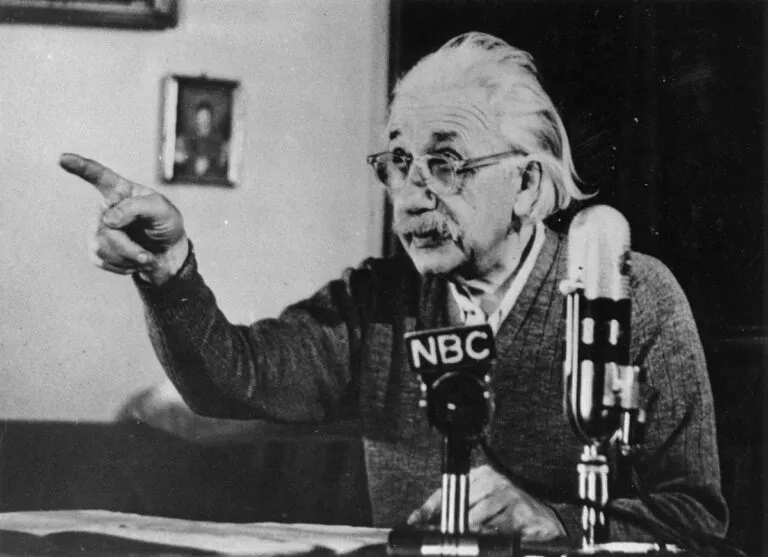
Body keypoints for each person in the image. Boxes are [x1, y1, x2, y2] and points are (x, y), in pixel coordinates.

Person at [60, 32, 727, 544]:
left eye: (446, 161)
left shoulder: (631, 295)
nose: (410, 194)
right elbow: (234, 381)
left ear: (526, 185)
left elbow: (694, 521)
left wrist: (556, 521)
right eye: (400, 161)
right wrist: (167, 272)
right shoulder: (377, 302)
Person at [174, 100, 228, 180]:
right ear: (196, 117)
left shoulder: (219, 140)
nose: (203, 121)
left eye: (206, 117)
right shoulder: (186, 137)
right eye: (201, 117)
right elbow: (180, 156)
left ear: (211, 118)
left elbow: (222, 161)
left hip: (212, 180)